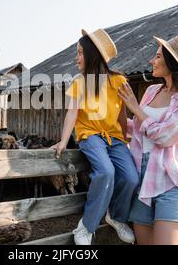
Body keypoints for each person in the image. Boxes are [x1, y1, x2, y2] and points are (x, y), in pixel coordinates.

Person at [118, 34, 178, 245]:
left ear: (171, 62)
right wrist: (118, 108)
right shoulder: (152, 91)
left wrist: (136, 108)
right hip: (142, 179)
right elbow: (138, 129)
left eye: (157, 56)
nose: (152, 60)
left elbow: (165, 136)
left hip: (172, 181)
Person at [51, 29, 139, 245]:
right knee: (106, 172)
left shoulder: (118, 80)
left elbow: (122, 114)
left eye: (80, 53)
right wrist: (64, 140)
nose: (76, 57)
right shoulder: (79, 83)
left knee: (131, 177)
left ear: (92, 55)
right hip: (90, 135)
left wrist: (125, 141)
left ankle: (116, 217)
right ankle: (86, 227)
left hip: (115, 138)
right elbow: (72, 112)